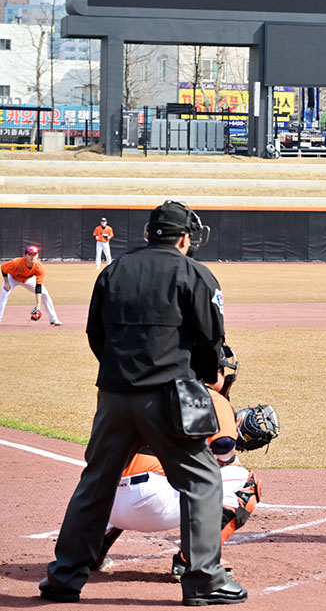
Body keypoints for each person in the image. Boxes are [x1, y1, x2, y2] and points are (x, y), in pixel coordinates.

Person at [39, 200, 247, 606]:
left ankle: (64, 578)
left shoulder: (113, 271)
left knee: (95, 484)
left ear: (150, 233)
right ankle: (204, 582)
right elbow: (210, 340)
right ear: (185, 238)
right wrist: (207, 373)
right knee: (202, 481)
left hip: (114, 395)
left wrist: (121, 373)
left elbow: (94, 334)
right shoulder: (194, 273)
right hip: (169, 397)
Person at [93, 345, 263, 581]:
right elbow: (223, 447)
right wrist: (234, 446)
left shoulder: (152, 391)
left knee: (132, 468)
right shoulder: (209, 395)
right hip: (154, 504)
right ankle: (195, 558)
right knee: (247, 482)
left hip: (106, 503)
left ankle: (92, 549)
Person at [0, 245, 62, 326]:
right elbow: (3, 268)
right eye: (30, 254)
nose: (32, 256)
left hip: (28, 280)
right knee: (4, 294)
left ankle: (54, 319)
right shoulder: (16, 262)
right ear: (25, 255)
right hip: (12, 278)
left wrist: (38, 305)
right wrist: (7, 283)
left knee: (44, 293)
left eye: (34, 254)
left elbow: (38, 287)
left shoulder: (40, 268)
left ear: (37, 255)